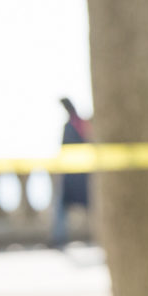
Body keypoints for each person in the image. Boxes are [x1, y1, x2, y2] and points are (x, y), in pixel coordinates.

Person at [52, 97, 91, 248]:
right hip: (76, 173)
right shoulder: (79, 123)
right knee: (63, 207)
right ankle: (59, 236)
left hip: (77, 175)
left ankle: (59, 237)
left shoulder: (76, 124)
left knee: (62, 206)